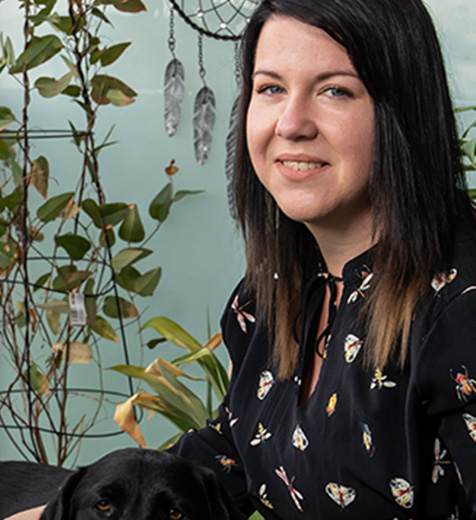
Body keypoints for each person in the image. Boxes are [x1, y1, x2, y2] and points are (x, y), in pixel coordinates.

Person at [8, 0, 476, 518]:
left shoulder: (459, 312)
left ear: (403, 110)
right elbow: (232, 457)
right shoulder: (270, 295)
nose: (291, 123)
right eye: (271, 88)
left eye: (335, 90)